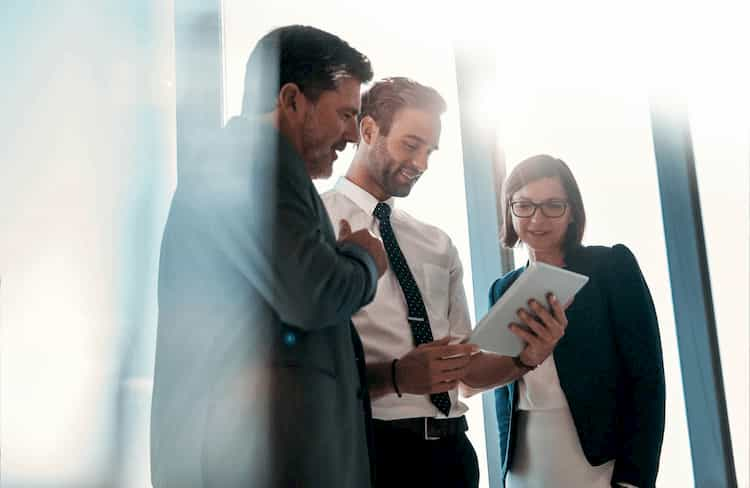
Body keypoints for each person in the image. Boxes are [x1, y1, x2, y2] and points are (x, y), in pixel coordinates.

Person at [150, 25, 388, 488]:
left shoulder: (243, 163)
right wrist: (362, 261)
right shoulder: (256, 161)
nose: (349, 137)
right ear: (292, 99)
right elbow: (313, 293)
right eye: (343, 114)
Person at [322, 78, 567, 488]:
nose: (421, 163)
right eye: (411, 144)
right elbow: (304, 370)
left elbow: (466, 371)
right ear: (367, 131)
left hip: (452, 456)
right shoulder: (316, 226)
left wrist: (527, 358)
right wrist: (397, 376)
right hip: (372, 453)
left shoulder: (436, 243)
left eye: (430, 151)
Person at [491, 154, 666, 488]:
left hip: (598, 459)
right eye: (524, 205)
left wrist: (635, 479)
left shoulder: (611, 266)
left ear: (572, 212)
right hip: (525, 461)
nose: (537, 218)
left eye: (553, 205)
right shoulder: (502, 289)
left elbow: (647, 380)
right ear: (509, 210)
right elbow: (505, 394)